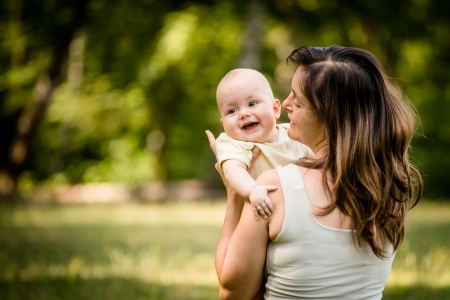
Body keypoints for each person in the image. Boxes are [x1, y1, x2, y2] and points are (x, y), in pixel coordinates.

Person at [206, 46, 423, 299]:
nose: (285, 104)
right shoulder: (390, 189)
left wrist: (234, 195)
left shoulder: (274, 189)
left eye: (297, 100)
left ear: (327, 114)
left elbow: (232, 293)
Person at [214, 68, 313, 219]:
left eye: (252, 103)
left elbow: (320, 159)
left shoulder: (294, 134)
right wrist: (252, 190)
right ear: (223, 124)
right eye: (232, 111)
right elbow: (233, 171)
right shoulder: (233, 143)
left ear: (275, 109)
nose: (243, 114)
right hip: (261, 213)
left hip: (302, 211)